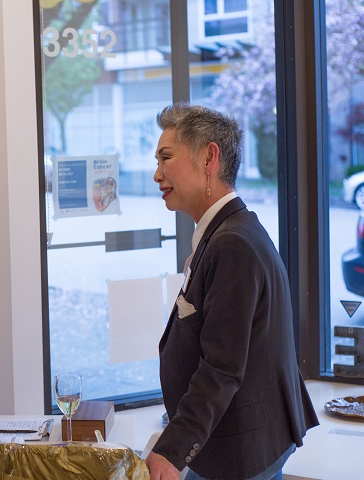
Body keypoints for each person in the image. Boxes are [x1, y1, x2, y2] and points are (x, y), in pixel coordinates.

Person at [146, 103, 319, 480]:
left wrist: (172, 451)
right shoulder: (231, 229)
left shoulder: (232, 243)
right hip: (234, 433)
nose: (156, 174)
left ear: (209, 157)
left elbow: (222, 367)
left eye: (166, 158)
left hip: (240, 448)